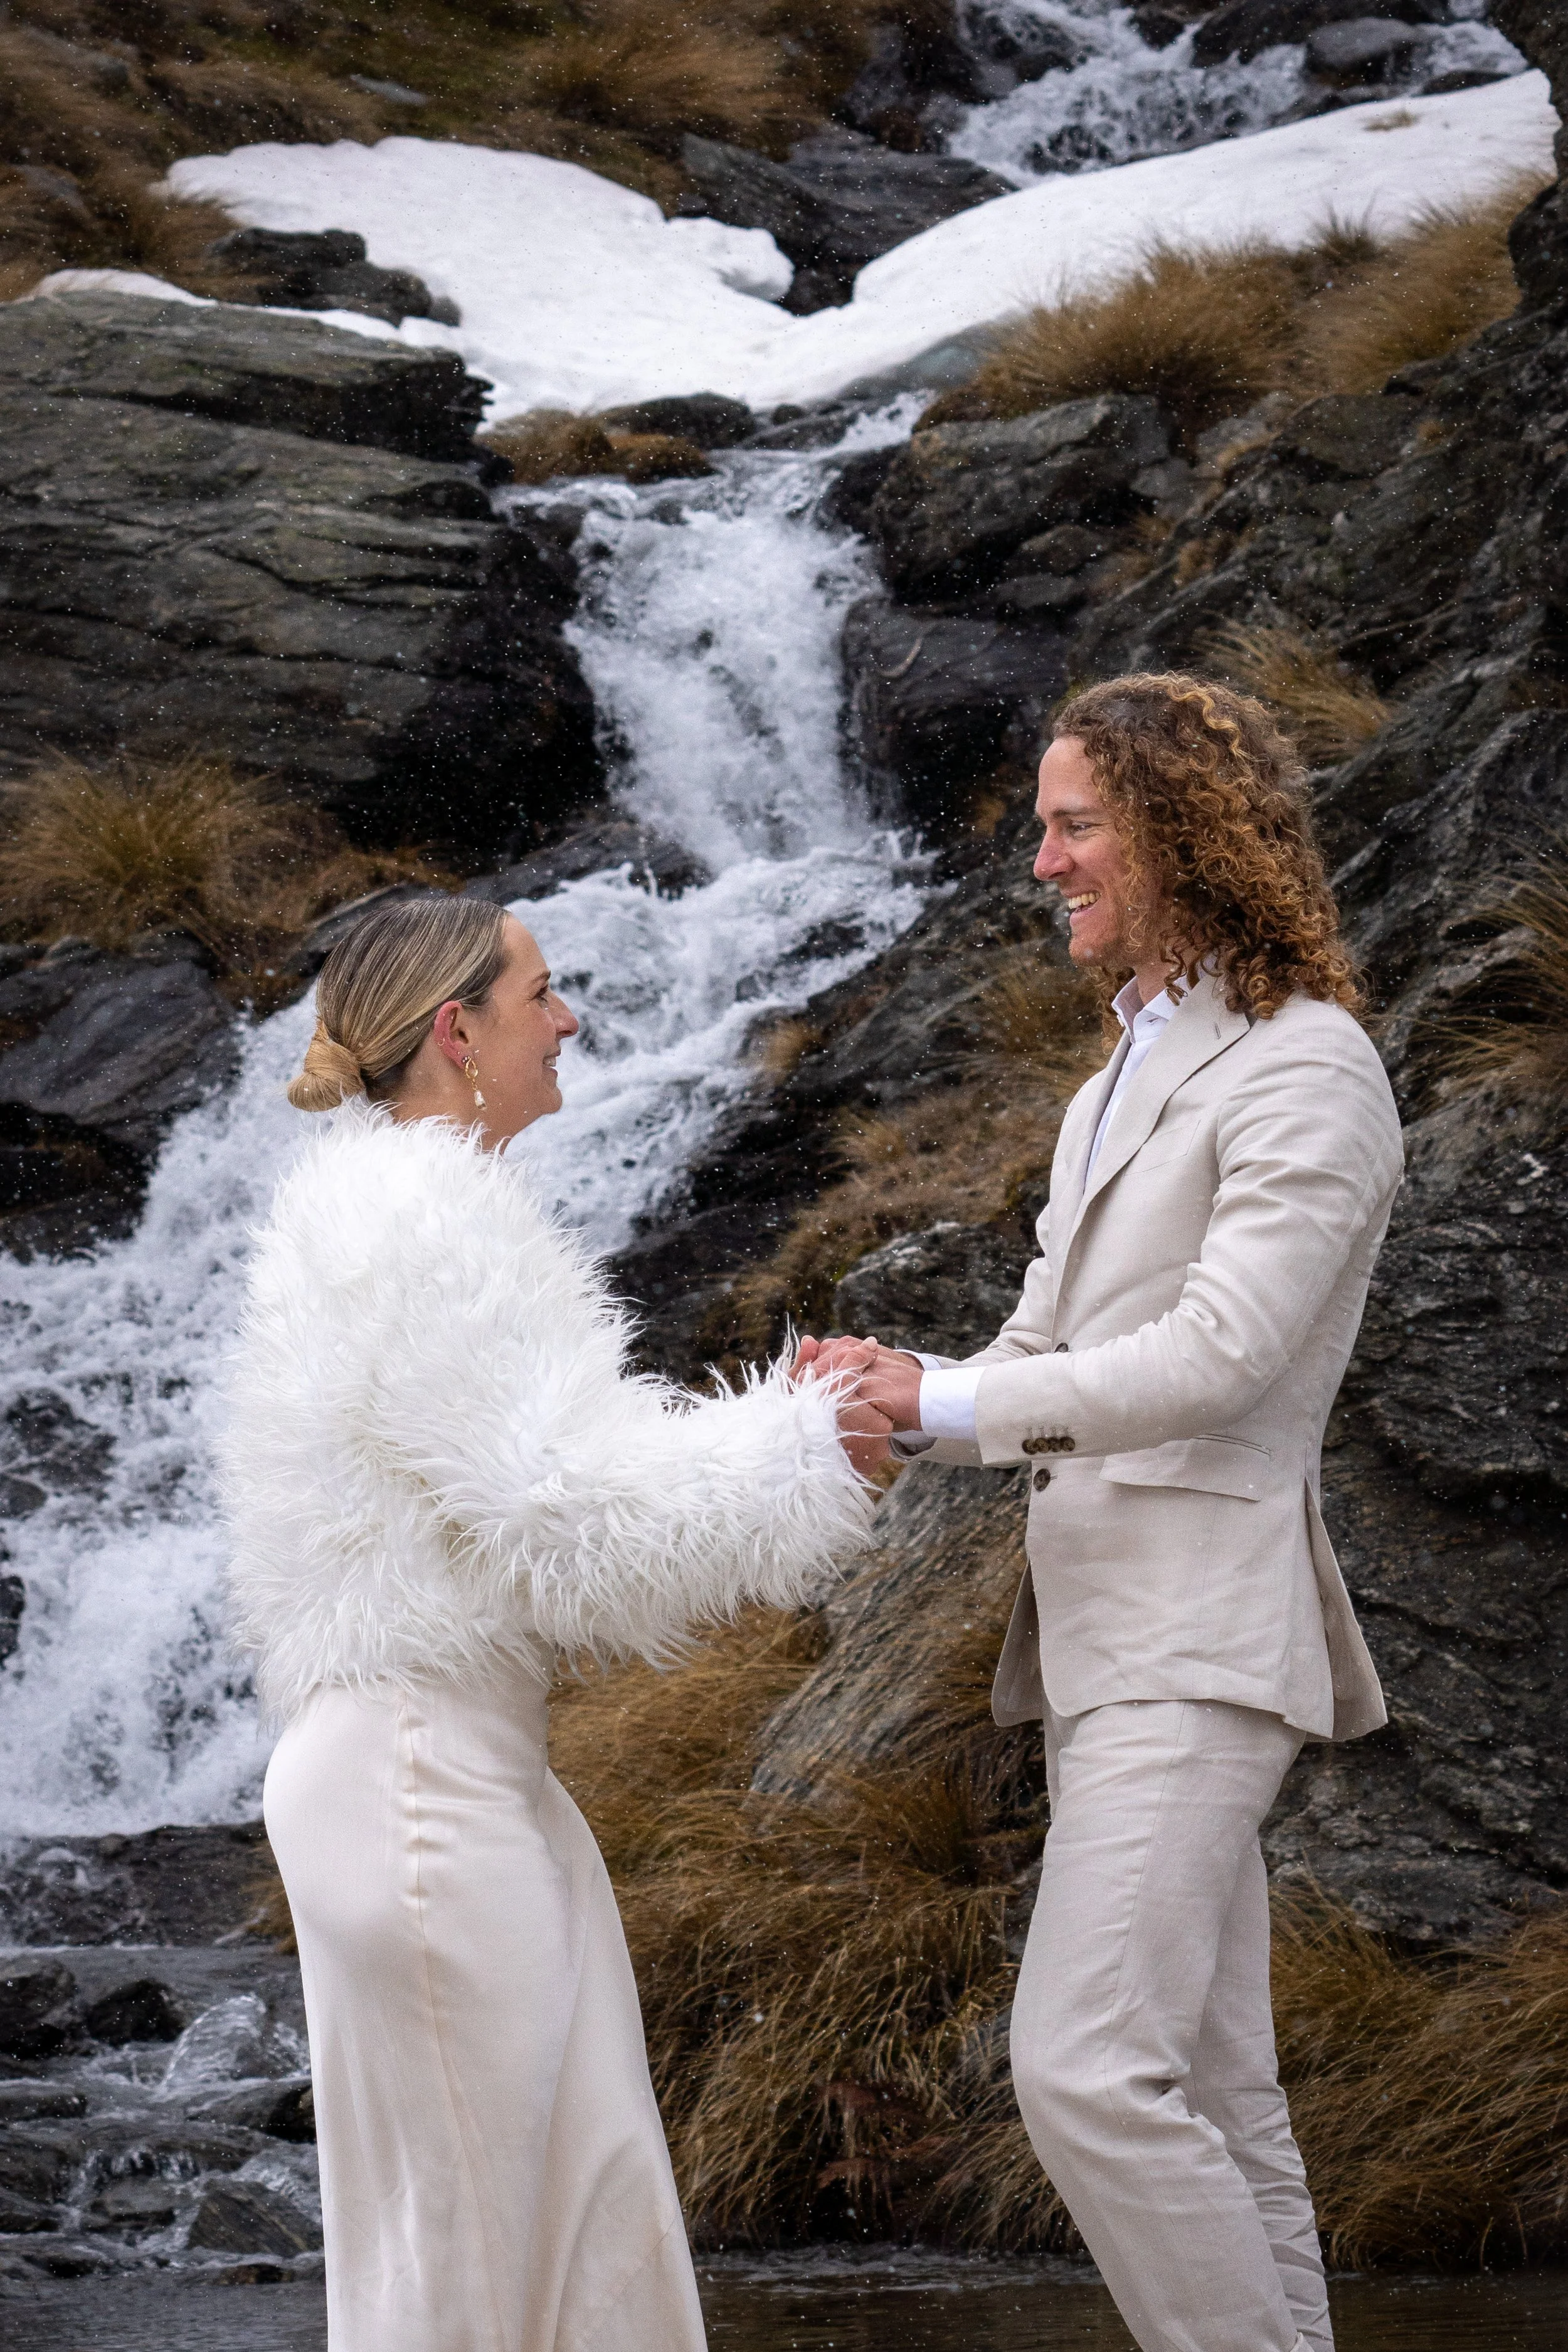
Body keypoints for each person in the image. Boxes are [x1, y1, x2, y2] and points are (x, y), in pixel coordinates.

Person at [801, 672, 1403, 2352]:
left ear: (1173, 829)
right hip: (1106, 1645)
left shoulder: (1308, 1066)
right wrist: (884, 1398)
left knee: (1083, 2068)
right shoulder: (1114, 1080)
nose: (1043, 857)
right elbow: (1039, 1354)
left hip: (1201, 1642)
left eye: (1073, 823)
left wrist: (940, 1399)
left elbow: (1216, 1355)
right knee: (1216, 2086)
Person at [223, 895, 887, 2352]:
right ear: (457, 1031)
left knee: (540, 2227)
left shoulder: (380, 1203)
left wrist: (795, 1437)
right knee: (487, 2259)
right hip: (419, 1787)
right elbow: (564, 1518)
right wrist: (809, 1434)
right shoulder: (421, 1216)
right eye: (545, 990)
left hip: (435, 1773)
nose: (570, 1017)